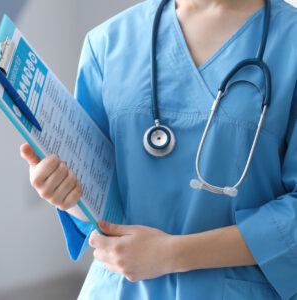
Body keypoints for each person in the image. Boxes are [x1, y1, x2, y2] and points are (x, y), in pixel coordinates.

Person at [20, 0, 297, 299]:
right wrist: (62, 191)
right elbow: (99, 200)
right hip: (119, 288)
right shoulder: (108, 42)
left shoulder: (289, 42)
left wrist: (173, 254)